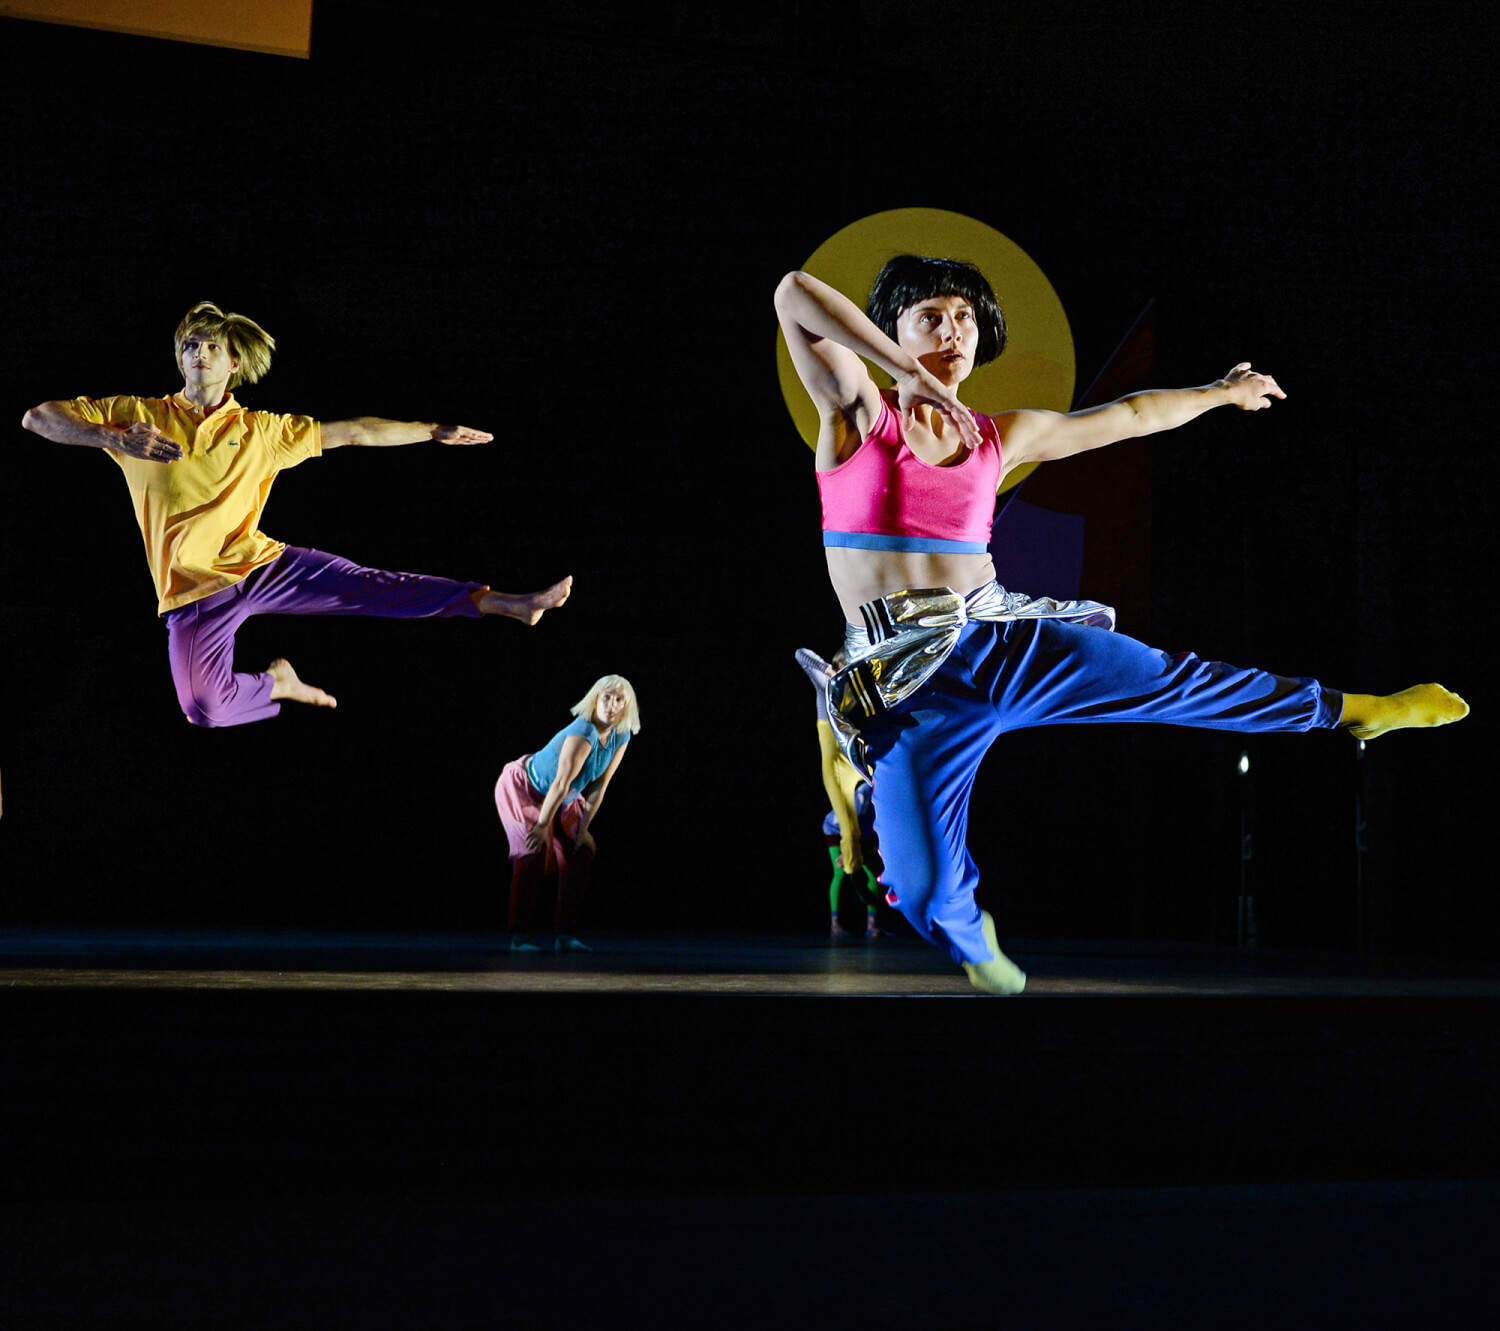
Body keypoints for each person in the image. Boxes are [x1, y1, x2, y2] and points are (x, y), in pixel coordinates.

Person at [776, 256, 1469, 995]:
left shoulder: (997, 437)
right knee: (919, 889)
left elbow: (1131, 417)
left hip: (1003, 642)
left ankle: (1350, 711)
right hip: (912, 685)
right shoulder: (857, 414)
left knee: (1170, 678)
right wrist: (899, 371)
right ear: (895, 333)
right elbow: (793, 292)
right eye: (932, 317)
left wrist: (1220, 393)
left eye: (967, 318)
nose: (954, 330)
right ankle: (972, 940)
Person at [20, 302, 571, 727]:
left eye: (211, 346)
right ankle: (277, 685)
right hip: (193, 592)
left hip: (260, 566)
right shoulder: (136, 416)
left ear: (233, 362)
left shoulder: (262, 430)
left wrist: (431, 431)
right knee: (204, 709)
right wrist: (108, 438)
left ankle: (500, 602)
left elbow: (354, 432)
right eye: (190, 344)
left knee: (370, 586)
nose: (199, 353)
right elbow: (37, 417)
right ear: (179, 357)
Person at [494, 675, 639, 951]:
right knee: (533, 851)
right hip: (525, 788)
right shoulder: (584, 733)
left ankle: (566, 935)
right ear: (595, 699)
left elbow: (600, 785)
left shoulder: (622, 735)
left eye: (618, 699)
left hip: (563, 799)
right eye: (606, 697)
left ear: (626, 706)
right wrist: (541, 826)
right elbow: (560, 782)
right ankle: (520, 937)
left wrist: (582, 830)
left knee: (580, 851)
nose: (611, 704)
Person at [798, 647, 885, 940]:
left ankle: (862, 877)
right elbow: (800, 654)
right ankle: (853, 872)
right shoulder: (828, 684)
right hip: (835, 764)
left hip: (855, 763)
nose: (851, 669)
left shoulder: (856, 690)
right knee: (848, 827)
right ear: (838, 663)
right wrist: (828, 671)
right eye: (847, 664)